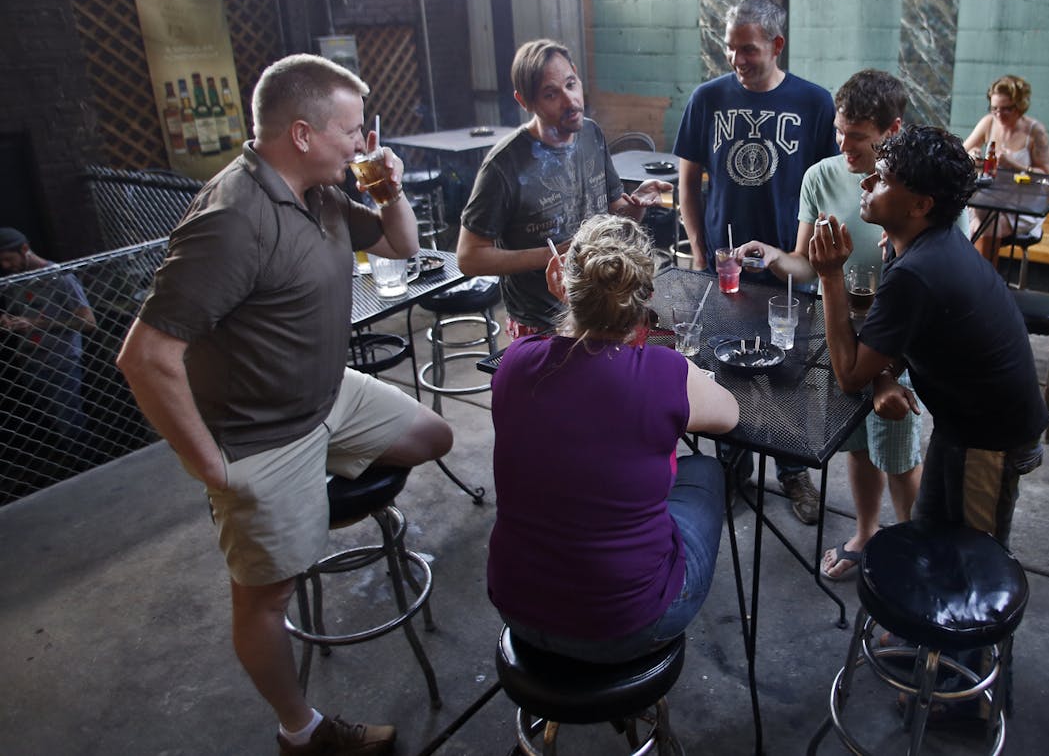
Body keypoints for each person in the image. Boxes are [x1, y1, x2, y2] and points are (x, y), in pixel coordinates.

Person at [117, 54, 454, 756]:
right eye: (353, 131)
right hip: (260, 437)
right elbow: (145, 357)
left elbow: (402, 243)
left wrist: (387, 186)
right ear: (302, 133)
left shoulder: (322, 193)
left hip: (327, 394)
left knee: (434, 435)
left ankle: (321, 490)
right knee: (266, 599)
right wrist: (212, 466)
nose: (363, 143)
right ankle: (301, 730)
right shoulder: (233, 218)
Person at [487, 213, 738, 662]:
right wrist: (691, 378)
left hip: (516, 608)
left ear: (560, 284)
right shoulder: (664, 373)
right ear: (647, 295)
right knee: (705, 471)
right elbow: (729, 416)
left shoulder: (513, 364)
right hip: (624, 627)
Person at [808, 125, 1047, 547]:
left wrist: (830, 275)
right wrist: (884, 374)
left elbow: (848, 375)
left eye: (881, 179)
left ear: (920, 205)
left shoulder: (917, 272)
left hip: (990, 437)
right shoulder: (925, 243)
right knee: (932, 532)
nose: (866, 181)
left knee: (971, 560)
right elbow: (904, 337)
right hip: (961, 426)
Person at [733, 70, 922, 580]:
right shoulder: (820, 175)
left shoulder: (917, 186)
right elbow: (806, 264)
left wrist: (886, 372)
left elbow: (936, 281)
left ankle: (909, 553)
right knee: (857, 445)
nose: (844, 144)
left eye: (858, 135)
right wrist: (774, 256)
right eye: (840, 131)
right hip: (838, 333)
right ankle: (866, 531)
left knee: (900, 450)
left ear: (892, 130)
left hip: (898, 343)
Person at [672, 0, 838, 523]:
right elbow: (688, 179)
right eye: (730, 48)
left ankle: (792, 471)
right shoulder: (707, 98)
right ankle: (732, 469)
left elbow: (829, 185)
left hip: (791, 268)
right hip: (726, 269)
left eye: (748, 49)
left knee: (790, 373)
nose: (738, 59)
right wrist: (698, 246)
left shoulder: (814, 103)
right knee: (728, 368)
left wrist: (808, 256)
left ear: (777, 45)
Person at [457, 39, 670, 339]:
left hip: (601, 313)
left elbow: (612, 215)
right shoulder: (504, 166)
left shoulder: (590, 134)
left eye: (571, 84)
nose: (570, 101)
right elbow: (469, 257)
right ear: (524, 101)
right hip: (541, 324)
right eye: (550, 94)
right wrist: (555, 255)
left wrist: (636, 206)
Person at [0, 227, 96, 453]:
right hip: (29, 360)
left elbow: (88, 322)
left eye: (8, 259)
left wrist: (34, 323)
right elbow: (18, 313)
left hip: (60, 360)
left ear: (25, 249)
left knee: (69, 421)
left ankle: (88, 462)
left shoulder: (60, 277)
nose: (5, 266)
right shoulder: (15, 279)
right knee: (52, 421)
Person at [961, 74, 1049, 263]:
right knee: (965, 217)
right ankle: (981, 282)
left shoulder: (1035, 131)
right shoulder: (989, 122)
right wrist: (972, 156)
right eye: (994, 108)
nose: (999, 114)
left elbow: (1045, 175)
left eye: (1006, 109)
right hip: (990, 198)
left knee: (987, 224)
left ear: (1019, 106)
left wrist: (1014, 165)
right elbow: (960, 152)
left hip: (1022, 203)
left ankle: (980, 284)